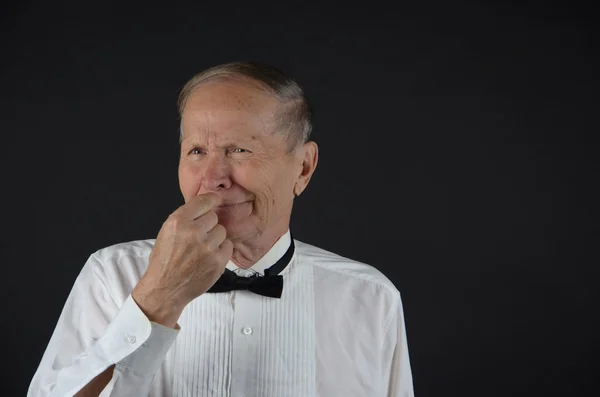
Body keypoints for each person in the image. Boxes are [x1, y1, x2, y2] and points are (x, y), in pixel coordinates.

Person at [28, 61, 414, 397]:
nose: (213, 178)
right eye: (197, 151)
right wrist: (156, 300)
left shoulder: (371, 298)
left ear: (303, 168)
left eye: (239, 151)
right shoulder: (110, 275)